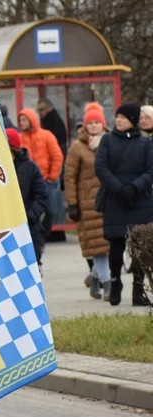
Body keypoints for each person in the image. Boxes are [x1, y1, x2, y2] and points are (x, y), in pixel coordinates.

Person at [94, 103, 153, 307]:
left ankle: (138, 289)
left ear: (133, 120)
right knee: (116, 245)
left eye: (123, 117)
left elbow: (150, 170)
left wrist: (135, 187)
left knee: (140, 247)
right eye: (117, 116)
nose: (118, 120)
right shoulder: (107, 140)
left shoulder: (145, 143)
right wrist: (119, 188)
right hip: (115, 200)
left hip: (141, 202)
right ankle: (115, 282)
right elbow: (101, 168)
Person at [64, 105, 111, 299]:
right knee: (98, 246)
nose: (93, 126)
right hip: (88, 204)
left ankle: (94, 278)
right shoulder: (77, 147)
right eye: (89, 123)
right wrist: (73, 203)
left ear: (103, 124)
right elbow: (69, 177)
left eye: (96, 122)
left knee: (109, 244)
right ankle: (108, 283)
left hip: (110, 201)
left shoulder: (111, 142)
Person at [7, 128, 50, 268]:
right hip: (5, 231)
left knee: (31, 270)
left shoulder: (30, 168)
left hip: (29, 228)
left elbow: (41, 196)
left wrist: (30, 216)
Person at [18, 108, 64, 240]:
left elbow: (57, 156)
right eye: (20, 120)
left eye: (24, 120)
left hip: (46, 180)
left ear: (32, 120)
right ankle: (34, 237)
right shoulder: (21, 138)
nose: (21, 123)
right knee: (30, 211)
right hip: (29, 182)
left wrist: (52, 177)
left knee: (51, 210)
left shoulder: (46, 135)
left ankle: (43, 236)